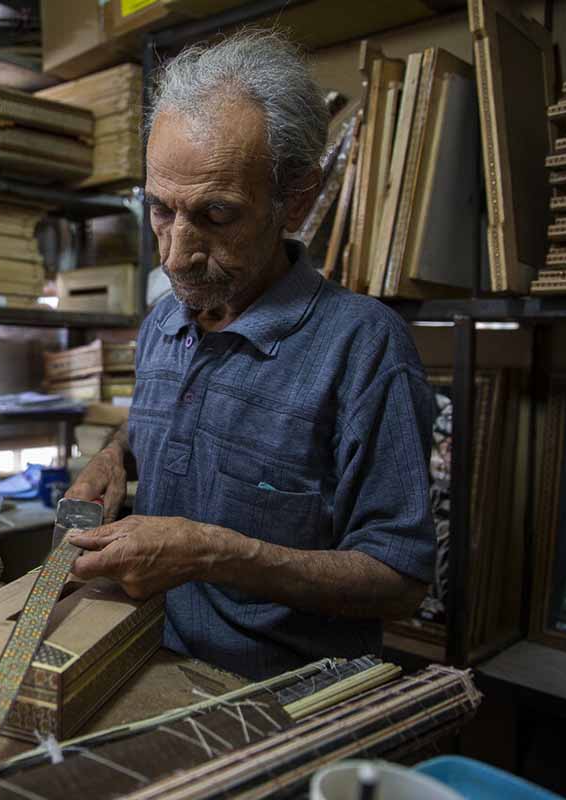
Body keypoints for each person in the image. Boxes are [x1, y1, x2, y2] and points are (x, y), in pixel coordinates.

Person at [64, 30, 436, 680]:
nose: (176, 256)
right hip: (144, 657)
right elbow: (174, 416)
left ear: (295, 200)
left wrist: (211, 553)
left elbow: (400, 580)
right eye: (159, 210)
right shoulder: (164, 322)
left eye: (216, 213)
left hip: (277, 700)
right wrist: (115, 454)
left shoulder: (363, 349)